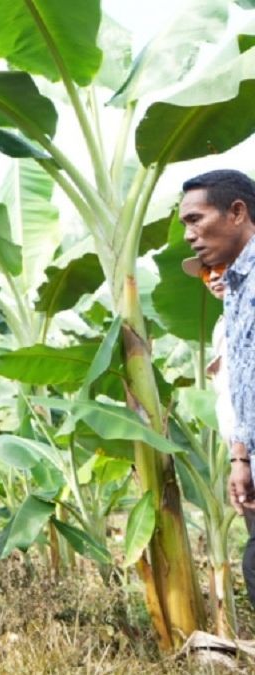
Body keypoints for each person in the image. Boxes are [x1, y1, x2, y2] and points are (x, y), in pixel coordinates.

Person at [180, 169, 255, 610]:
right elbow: (245, 380)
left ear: (237, 212)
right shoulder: (236, 290)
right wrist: (241, 457)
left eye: (195, 219)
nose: (189, 235)